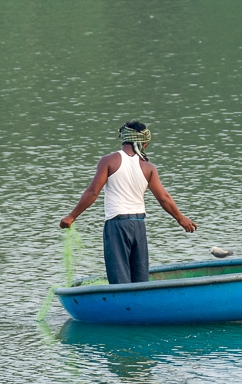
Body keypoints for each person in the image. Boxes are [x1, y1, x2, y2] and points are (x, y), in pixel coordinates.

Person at [59, 120, 197, 284]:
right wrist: (181, 218)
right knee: (140, 279)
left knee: (119, 278)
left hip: (117, 225)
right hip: (139, 224)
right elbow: (164, 197)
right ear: (143, 144)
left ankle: (123, 307)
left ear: (124, 138)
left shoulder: (109, 161)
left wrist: (72, 216)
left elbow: (92, 192)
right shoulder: (148, 167)